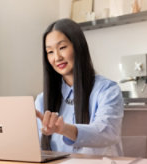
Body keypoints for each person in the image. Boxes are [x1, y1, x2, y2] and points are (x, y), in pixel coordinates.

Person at [35, 19, 124, 156]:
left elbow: (107, 132)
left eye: (62, 47)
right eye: (50, 52)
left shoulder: (107, 90)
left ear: (78, 46)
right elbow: (37, 148)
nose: (57, 57)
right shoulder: (42, 100)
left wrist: (64, 129)